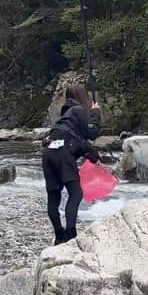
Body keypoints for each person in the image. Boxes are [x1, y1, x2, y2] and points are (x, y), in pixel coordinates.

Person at [42, 82, 101, 244]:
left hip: (49, 151)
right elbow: (92, 133)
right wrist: (95, 113)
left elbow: (78, 141)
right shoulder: (78, 110)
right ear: (83, 97)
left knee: (54, 196)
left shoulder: (64, 115)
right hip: (63, 152)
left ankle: (59, 234)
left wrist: (92, 155)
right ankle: (70, 234)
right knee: (76, 194)